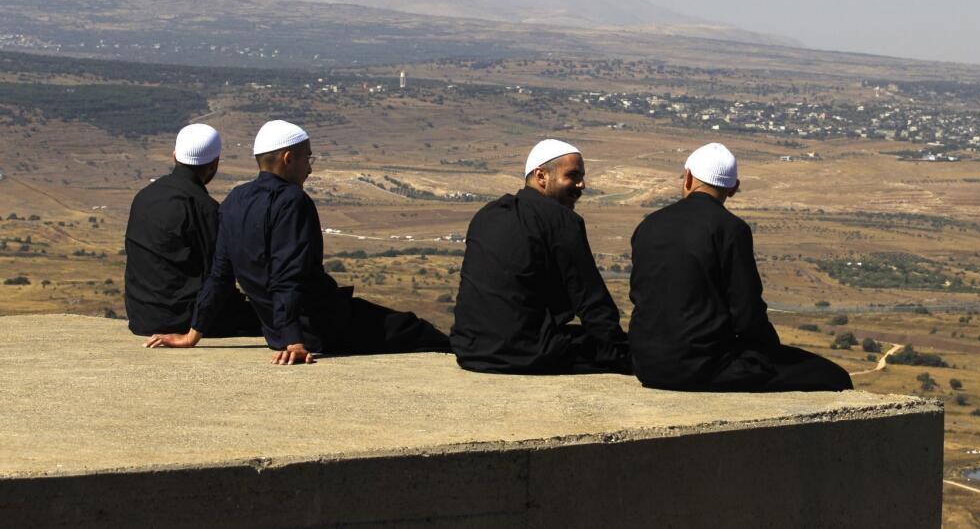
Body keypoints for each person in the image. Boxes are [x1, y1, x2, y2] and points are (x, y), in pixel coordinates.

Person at [144, 120, 449, 364]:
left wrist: (192, 334)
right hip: (321, 326)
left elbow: (220, 273)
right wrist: (295, 340)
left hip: (276, 331)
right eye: (307, 158)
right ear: (288, 159)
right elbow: (289, 275)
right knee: (416, 329)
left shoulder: (235, 199)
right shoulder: (293, 201)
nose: (311, 168)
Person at [628, 143, 852, 392]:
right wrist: (769, 353)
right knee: (833, 376)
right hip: (703, 368)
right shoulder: (731, 229)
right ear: (733, 188)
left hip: (646, 364)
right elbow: (746, 310)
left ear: (688, 177)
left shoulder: (649, 224)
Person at [450, 138, 630, 374]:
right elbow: (590, 300)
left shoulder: (486, 215)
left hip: (470, 350)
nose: (582, 185)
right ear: (541, 176)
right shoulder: (561, 220)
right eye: (573, 176)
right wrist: (622, 351)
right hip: (529, 353)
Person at [124, 124, 260, 338]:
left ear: (174, 155)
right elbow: (219, 275)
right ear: (214, 164)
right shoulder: (205, 208)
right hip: (188, 320)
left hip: (142, 317)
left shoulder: (144, 197)